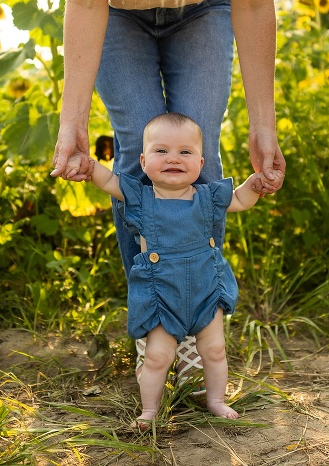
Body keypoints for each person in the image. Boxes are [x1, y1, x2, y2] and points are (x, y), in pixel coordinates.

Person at [43, 0, 289, 396]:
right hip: (116, 13)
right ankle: (155, 320)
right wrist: (71, 122)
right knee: (141, 149)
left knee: (196, 155)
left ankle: (197, 324)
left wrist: (263, 125)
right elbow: (84, 0)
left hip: (204, 10)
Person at [78, 112, 263, 426]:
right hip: (163, 295)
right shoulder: (140, 196)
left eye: (185, 152)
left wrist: (256, 184)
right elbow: (109, 180)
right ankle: (149, 410)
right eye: (161, 151)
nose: (173, 158)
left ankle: (216, 400)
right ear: (143, 161)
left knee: (215, 350)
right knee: (157, 357)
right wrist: (88, 166)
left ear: (201, 164)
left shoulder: (207, 197)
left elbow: (241, 200)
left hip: (205, 290)